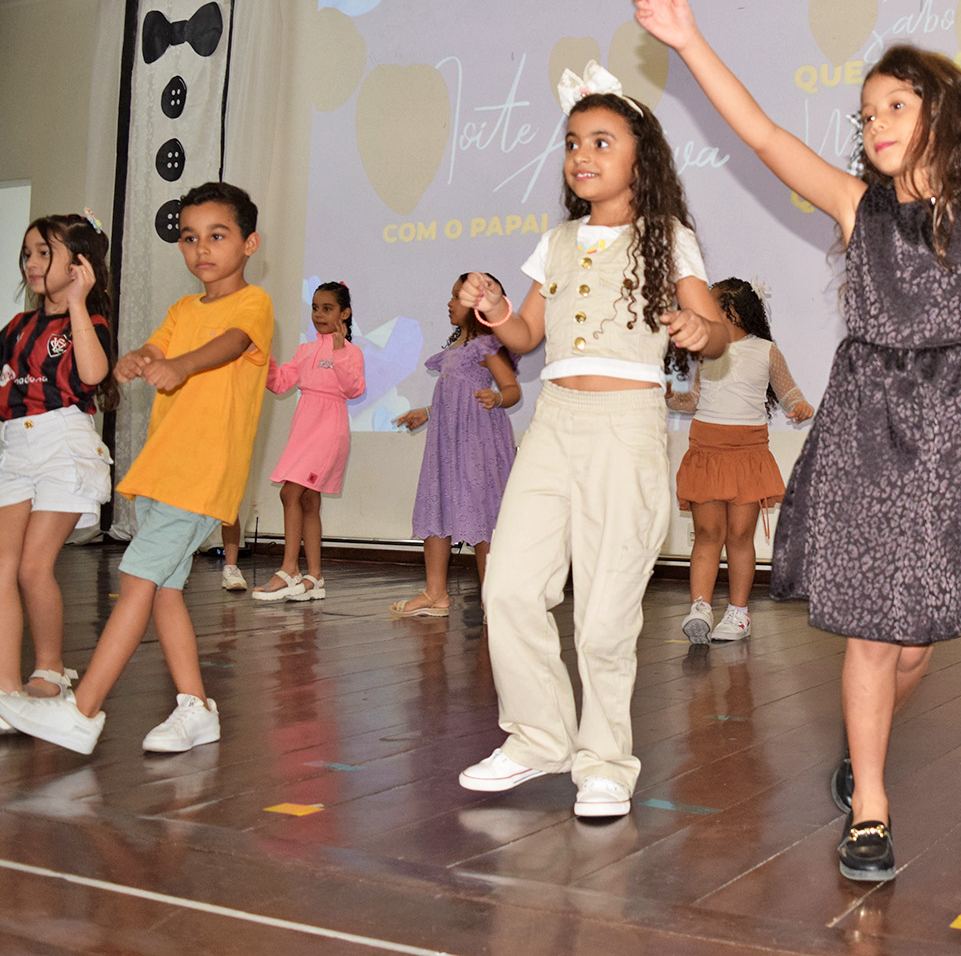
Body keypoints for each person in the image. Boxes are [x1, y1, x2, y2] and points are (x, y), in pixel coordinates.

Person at [633, 0, 961, 881]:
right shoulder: (852, 206)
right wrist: (688, 40)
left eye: (895, 106)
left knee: (913, 646)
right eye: (866, 112)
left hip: (953, 425)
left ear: (941, 115)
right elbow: (761, 135)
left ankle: (861, 744)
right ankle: (870, 806)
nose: (874, 123)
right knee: (873, 629)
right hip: (868, 423)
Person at [454, 62, 728, 820]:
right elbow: (525, 334)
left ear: (643, 155)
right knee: (509, 587)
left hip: (625, 426)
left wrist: (700, 329)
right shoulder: (558, 240)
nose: (582, 154)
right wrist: (496, 309)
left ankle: (605, 761)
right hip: (553, 423)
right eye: (573, 142)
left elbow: (715, 330)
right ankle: (539, 737)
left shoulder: (667, 238)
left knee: (605, 614)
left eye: (602, 141)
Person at [0, 182, 273, 754]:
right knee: (165, 591)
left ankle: (82, 710)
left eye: (217, 236)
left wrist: (183, 366)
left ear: (249, 244)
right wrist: (139, 359)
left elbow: (230, 344)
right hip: (161, 472)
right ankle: (195, 708)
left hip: (201, 476)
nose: (201, 248)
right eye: (189, 238)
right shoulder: (182, 309)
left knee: (137, 582)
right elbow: (156, 348)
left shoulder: (254, 303)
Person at [0, 213, 117, 737]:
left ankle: (49, 671)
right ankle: (0, 686)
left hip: (63, 443)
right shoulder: (17, 328)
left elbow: (93, 374)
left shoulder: (89, 323)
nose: (31, 263)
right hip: (17, 446)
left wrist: (79, 302)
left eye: (44, 252)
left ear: (78, 263)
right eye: (27, 253)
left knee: (33, 566)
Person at [668, 277, 814, 644]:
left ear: (731, 312)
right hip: (706, 450)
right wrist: (668, 396)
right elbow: (695, 399)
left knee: (739, 535)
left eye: (710, 305)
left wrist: (799, 406)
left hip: (748, 454)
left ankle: (738, 612)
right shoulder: (705, 351)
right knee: (707, 533)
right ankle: (700, 607)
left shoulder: (766, 351)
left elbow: (788, 392)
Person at [392, 273, 520, 618]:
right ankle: (435, 592)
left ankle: (492, 596)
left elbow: (512, 389)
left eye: (457, 297)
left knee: (482, 511)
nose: (450, 303)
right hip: (447, 442)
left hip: (478, 440)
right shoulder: (453, 350)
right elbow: (454, 398)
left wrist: (497, 398)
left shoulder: (487, 345)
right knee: (437, 505)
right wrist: (427, 412)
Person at [251, 281, 365, 603]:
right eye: (315, 308)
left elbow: (354, 388)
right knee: (308, 501)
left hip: (329, 430)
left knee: (290, 492)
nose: (318, 314)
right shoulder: (305, 351)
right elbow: (280, 382)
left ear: (344, 313)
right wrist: (262, 356)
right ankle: (314, 576)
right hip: (304, 428)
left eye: (327, 308)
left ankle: (289, 569)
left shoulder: (351, 352)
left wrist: (339, 352)